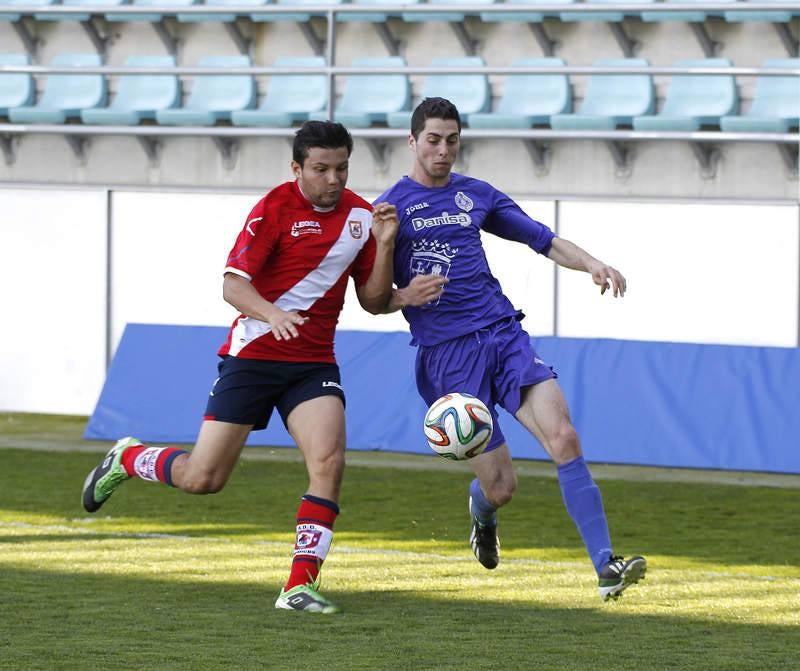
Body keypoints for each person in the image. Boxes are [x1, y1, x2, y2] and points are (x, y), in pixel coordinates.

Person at [82, 120, 399, 614]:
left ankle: (298, 587)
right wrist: (272, 313)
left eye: (341, 168)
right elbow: (232, 285)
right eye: (320, 169)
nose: (333, 179)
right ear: (297, 168)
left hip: (313, 363)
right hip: (253, 356)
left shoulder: (361, 218)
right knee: (203, 479)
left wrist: (387, 246)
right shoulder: (273, 209)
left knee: (329, 462)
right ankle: (129, 459)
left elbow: (374, 301)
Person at [374, 97, 646, 601]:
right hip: (447, 358)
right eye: (433, 140)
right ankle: (483, 513)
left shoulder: (475, 195)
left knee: (563, 438)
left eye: (452, 140)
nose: (443, 150)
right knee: (502, 488)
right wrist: (403, 296)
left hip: (503, 336)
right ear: (412, 141)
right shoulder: (390, 210)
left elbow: (541, 239)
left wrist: (592, 264)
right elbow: (372, 299)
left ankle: (606, 566)